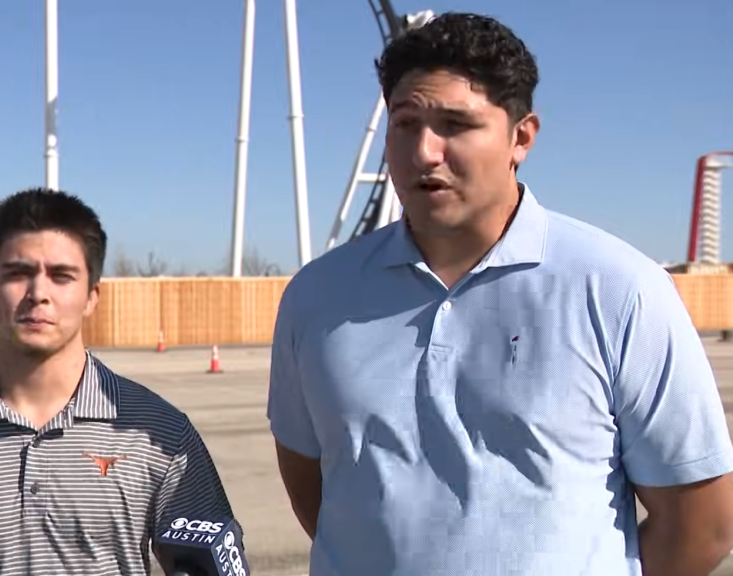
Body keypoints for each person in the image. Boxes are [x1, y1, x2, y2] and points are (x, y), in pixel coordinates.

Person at [267, 12, 733, 576]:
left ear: (521, 137)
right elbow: (320, 492)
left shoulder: (617, 289)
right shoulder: (318, 298)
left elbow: (701, 526)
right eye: (405, 123)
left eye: (455, 125)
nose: (425, 152)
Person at [0, 188, 234, 576]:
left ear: (91, 296)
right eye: (18, 274)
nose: (38, 294)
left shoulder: (159, 433)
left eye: (61, 276)